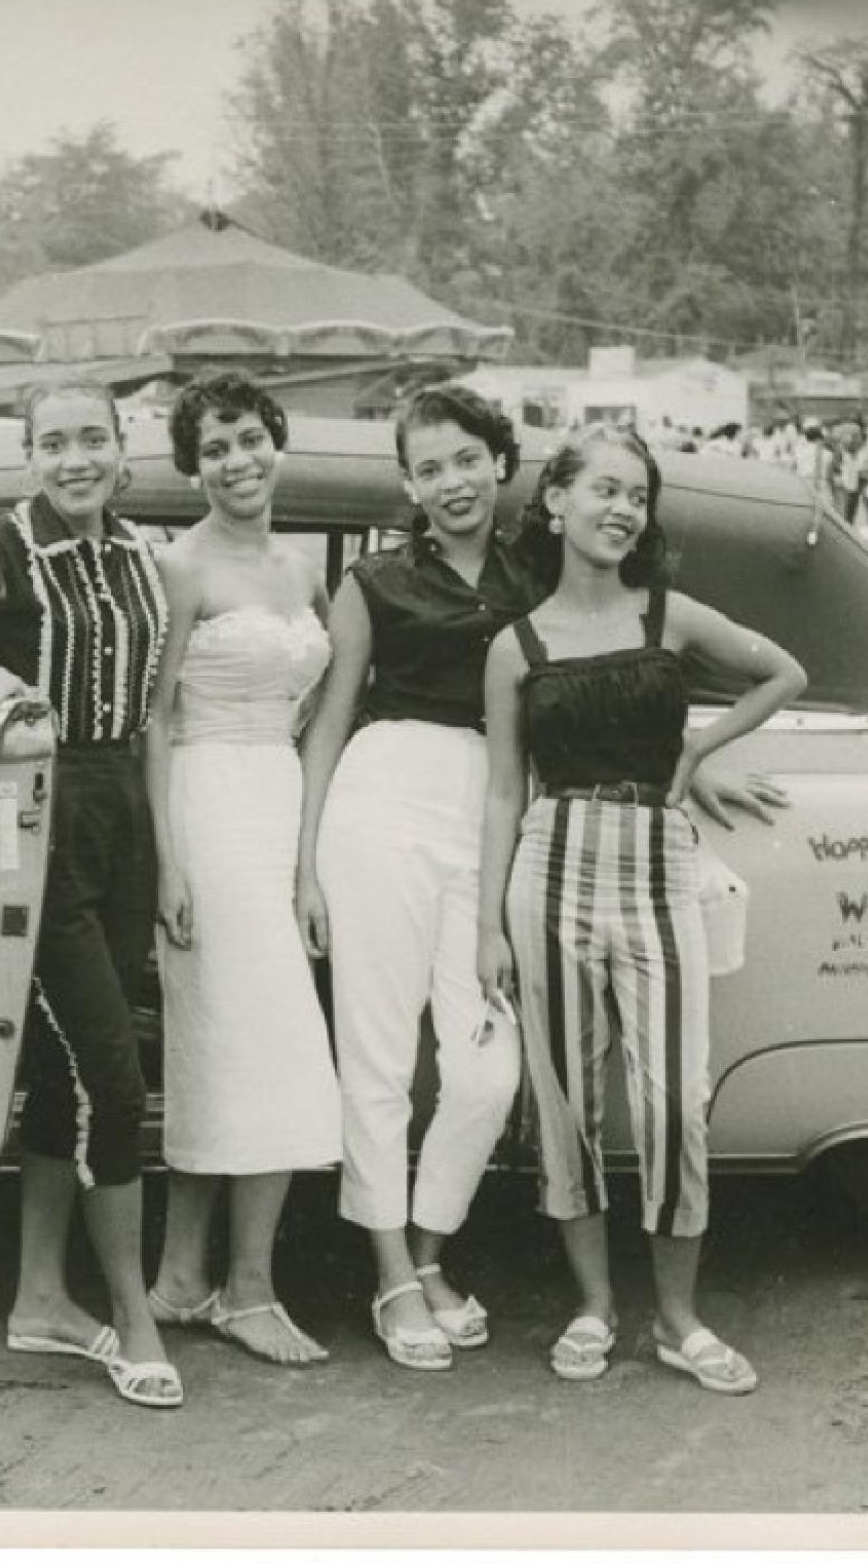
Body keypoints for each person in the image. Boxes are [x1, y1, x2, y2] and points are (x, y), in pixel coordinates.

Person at [478, 423, 806, 1397]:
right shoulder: (515, 644)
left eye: (637, 495)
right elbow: (503, 789)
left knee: (673, 1104)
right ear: (553, 503)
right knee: (566, 1102)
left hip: (657, 865)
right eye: (604, 490)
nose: (622, 509)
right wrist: (487, 922)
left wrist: (696, 752)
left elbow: (782, 671)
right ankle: (592, 1305)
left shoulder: (666, 614)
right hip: (549, 860)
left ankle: (677, 1319)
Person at [0, 381, 181, 1410]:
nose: (74, 459)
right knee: (113, 1078)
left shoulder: (144, 553)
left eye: (91, 440)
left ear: (120, 450)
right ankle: (132, 1319)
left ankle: (38, 1299)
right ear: (30, 455)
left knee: (65, 1076)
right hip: (39, 824)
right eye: (53, 443)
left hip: (124, 820)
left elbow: (156, 711)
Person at [297, 382, 530, 1371]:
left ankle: (430, 1244)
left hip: (492, 806)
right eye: (428, 467)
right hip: (381, 799)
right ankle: (392, 1270)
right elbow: (329, 719)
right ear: (407, 484)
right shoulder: (374, 581)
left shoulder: (540, 578)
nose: (450, 481)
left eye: (464, 459)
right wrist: (304, 862)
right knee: (380, 1053)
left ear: (499, 462)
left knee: (484, 1066)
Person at [143, 370, 340, 1366]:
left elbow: (311, 718)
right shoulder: (179, 568)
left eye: (249, 439)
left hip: (276, 800)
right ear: (192, 469)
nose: (236, 462)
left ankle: (184, 1276)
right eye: (213, 449)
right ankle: (246, 1290)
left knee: (228, 1044)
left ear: (276, 440)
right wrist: (165, 863)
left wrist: (307, 867)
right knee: (255, 1042)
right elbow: (156, 718)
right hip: (204, 801)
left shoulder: (305, 568)